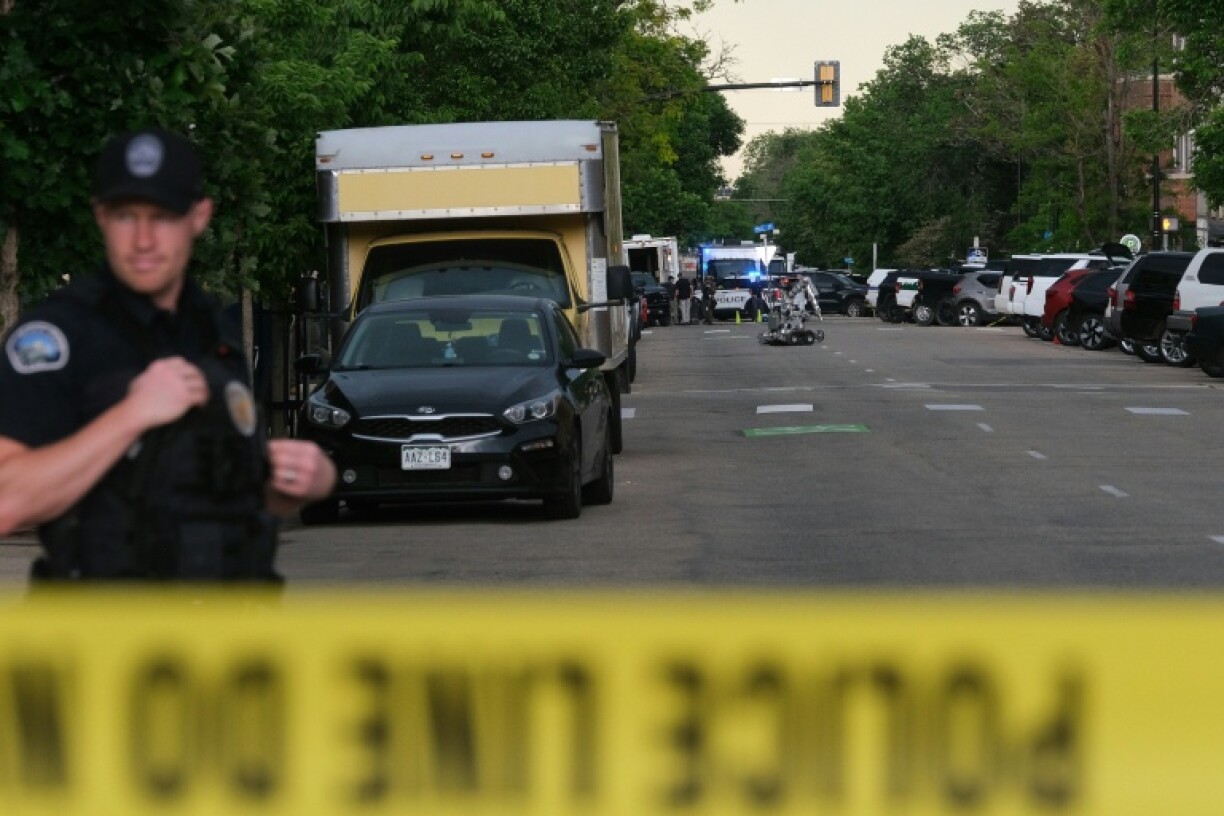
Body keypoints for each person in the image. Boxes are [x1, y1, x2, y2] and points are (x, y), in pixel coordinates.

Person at [0, 127, 336, 582]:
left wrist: (292, 485)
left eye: (162, 216)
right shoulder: (57, 337)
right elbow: (7, 502)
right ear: (101, 217)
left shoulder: (216, 333)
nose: (143, 239)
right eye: (125, 216)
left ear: (199, 217)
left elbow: (207, 501)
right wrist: (132, 415)